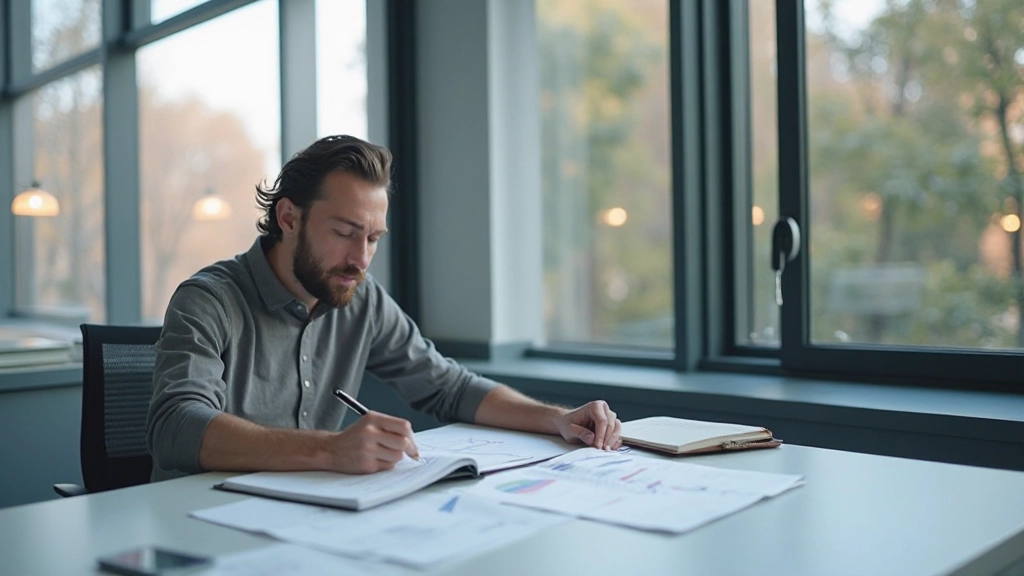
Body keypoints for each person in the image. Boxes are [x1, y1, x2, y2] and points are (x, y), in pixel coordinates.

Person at [147, 135, 622, 481]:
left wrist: (556, 419)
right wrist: (331, 451)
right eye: (344, 232)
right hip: (201, 522)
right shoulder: (208, 300)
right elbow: (176, 427)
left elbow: (449, 386)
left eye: (373, 238)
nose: (361, 258)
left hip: (303, 521)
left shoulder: (359, 295)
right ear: (288, 217)